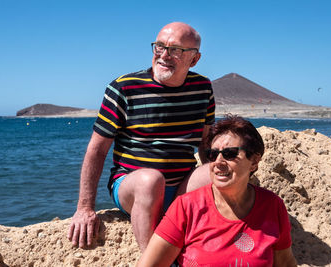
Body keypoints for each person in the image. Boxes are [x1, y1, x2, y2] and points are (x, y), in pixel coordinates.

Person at [67, 22, 215, 251]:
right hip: (134, 186)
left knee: (216, 170)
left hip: (180, 188)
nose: (164, 55)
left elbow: (205, 144)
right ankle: (152, 259)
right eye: (159, 47)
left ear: (194, 59)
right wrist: (85, 208)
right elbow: (97, 150)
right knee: (150, 180)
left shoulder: (203, 89)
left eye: (175, 50)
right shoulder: (123, 88)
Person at [137, 115, 297, 266]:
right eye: (213, 154)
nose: (218, 162)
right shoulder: (187, 208)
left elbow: (285, 263)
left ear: (254, 161)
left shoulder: (272, 207)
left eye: (230, 154)